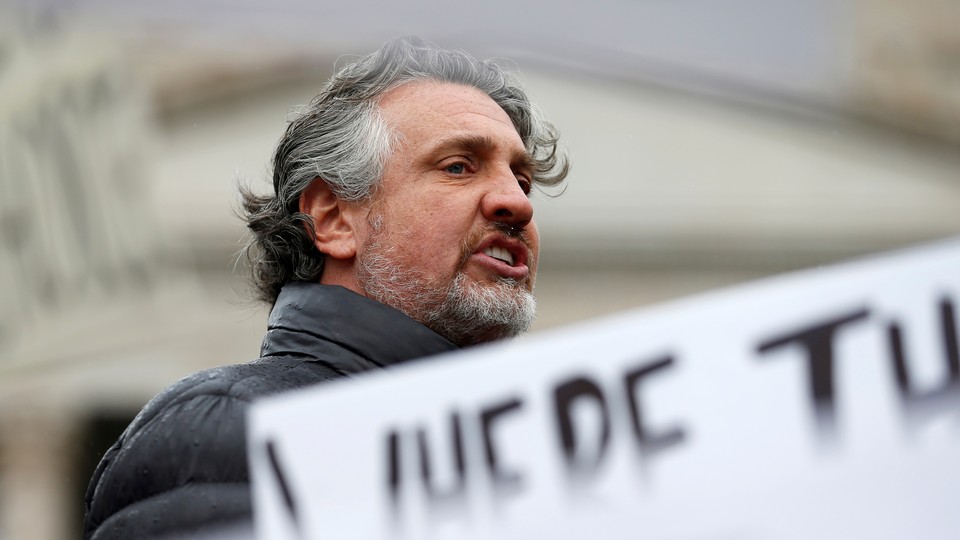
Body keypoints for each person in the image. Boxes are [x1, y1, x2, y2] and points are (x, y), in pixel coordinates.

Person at [83, 36, 569, 539]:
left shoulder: (537, 455)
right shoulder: (232, 431)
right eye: (458, 167)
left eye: (523, 179)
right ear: (334, 218)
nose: (517, 203)